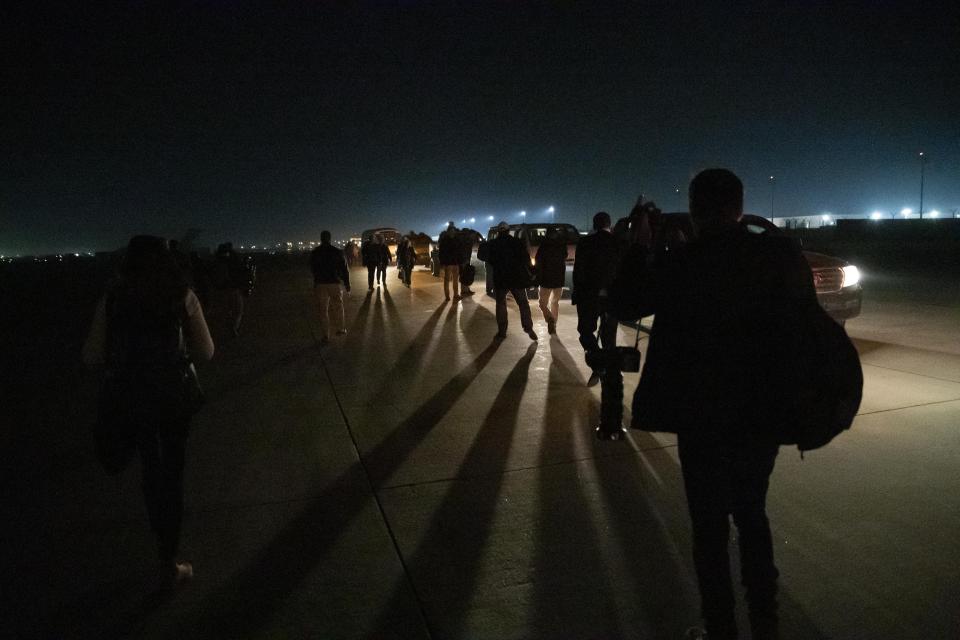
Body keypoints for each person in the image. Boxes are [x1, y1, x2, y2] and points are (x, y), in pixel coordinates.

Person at [610, 169, 816, 640]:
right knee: (752, 512)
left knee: (709, 526)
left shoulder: (685, 263)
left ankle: (720, 626)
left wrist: (642, 245)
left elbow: (624, 303)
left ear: (698, 210)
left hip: (701, 414)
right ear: (740, 208)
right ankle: (766, 621)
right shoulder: (777, 255)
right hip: (763, 411)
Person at [82, 235, 214, 589]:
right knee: (174, 470)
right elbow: (207, 351)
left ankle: (159, 532)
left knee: (150, 469)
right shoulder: (182, 295)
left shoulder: (112, 298)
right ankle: (168, 558)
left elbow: (91, 355)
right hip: (174, 398)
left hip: (132, 398)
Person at [572, 212, 621, 387]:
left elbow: (579, 272)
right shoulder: (618, 242)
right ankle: (609, 374)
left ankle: (598, 363)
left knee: (585, 332)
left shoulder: (585, 243)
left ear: (594, 225)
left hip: (589, 297)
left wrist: (578, 295)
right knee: (609, 338)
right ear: (609, 224)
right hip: (612, 297)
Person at [486, 221, 537, 340]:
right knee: (523, 304)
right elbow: (526, 259)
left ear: (499, 232)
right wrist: (533, 273)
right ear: (509, 231)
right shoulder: (517, 243)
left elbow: (490, 260)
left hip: (501, 279)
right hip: (516, 278)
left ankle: (502, 331)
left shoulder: (494, 244)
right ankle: (528, 328)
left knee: (501, 305)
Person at [310, 230, 351, 344]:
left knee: (323, 310)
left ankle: (326, 335)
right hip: (334, 283)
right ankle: (341, 329)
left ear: (321, 239)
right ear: (330, 238)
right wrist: (347, 285)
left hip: (320, 284)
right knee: (338, 306)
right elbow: (344, 270)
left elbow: (312, 269)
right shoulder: (337, 252)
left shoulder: (315, 252)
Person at [535, 227, 567, 334]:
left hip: (545, 280)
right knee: (555, 302)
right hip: (559, 279)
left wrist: (536, 276)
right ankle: (554, 323)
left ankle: (550, 320)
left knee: (542, 303)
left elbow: (538, 261)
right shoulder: (562, 245)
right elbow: (565, 256)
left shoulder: (543, 246)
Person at [438, 221, 461, 300]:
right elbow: (441, 253)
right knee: (447, 280)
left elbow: (458, 251)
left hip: (455, 263)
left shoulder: (456, 239)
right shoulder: (444, 240)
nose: (452, 232)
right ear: (448, 232)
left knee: (455, 280)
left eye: (453, 231)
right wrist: (442, 263)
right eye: (451, 231)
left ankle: (456, 295)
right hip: (448, 263)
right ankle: (447, 296)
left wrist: (459, 261)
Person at [457, 228, 478, 296]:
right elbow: (463, 251)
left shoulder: (468, 240)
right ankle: (464, 291)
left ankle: (467, 290)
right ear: (471, 234)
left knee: (467, 274)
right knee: (464, 275)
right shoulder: (466, 241)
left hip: (466, 260)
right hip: (464, 261)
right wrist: (464, 261)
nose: (474, 237)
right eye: (474, 235)